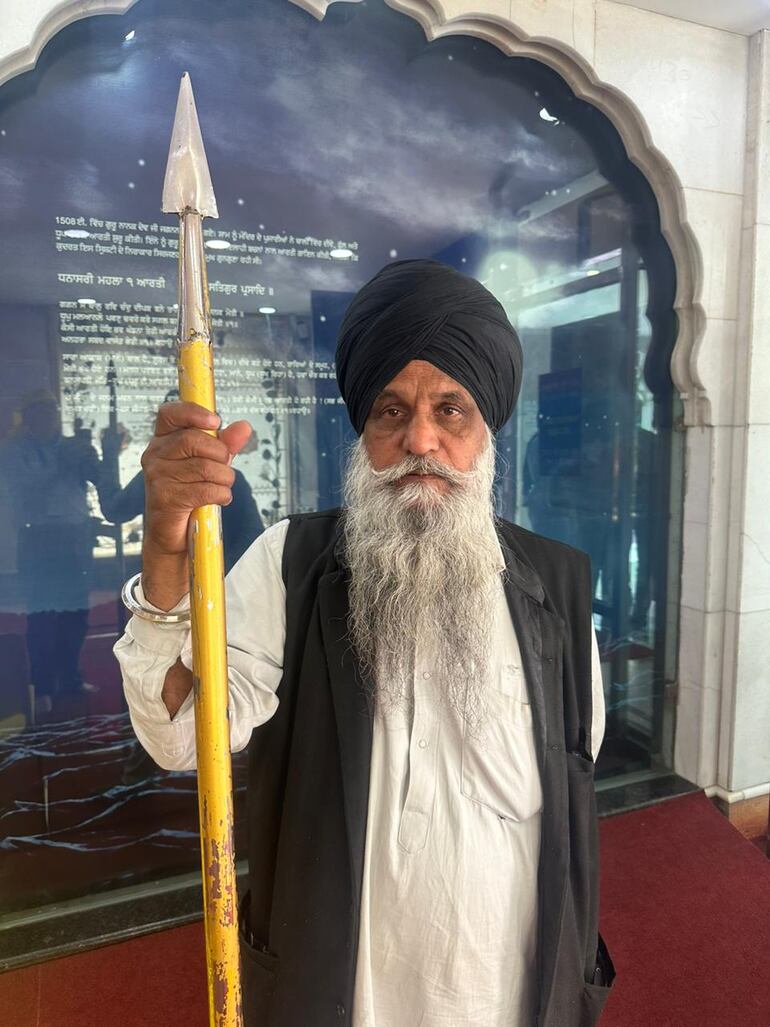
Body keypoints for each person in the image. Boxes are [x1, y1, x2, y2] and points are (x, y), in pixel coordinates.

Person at [116, 260, 615, 1027]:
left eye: (450, 410)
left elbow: (575, 790)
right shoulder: (290, 564)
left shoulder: (560, 586)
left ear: (486, 433)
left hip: (512, 996)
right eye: (391, 410)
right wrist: (164, 547)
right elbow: (182, 734)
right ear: (364, 433)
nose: (420, 438)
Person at [0, 390, 101, 715]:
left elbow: (97, 480)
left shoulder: (72, 447)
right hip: (38, 538)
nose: (47, 416)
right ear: (28, 417)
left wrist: (97, 455)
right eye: (40, 411)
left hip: (74, 535)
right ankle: (42, 687)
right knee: (42, 615)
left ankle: (70, 678)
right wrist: (63, 465)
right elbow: (28, 490)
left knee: (77, 613)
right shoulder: (13, 452)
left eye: (51, 410)